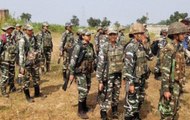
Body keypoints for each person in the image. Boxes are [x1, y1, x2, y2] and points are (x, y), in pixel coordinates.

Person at [158, 22, 189, 120]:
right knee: (167, 113)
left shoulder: (179, 47)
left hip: (177, 85)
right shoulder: (169, 49)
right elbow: (165, 71)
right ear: (175, 35)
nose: (184, 36)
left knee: (174, 110)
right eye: (182, 34)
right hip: (170, 85)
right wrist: (166, 90)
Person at [123, 22, 152, 120]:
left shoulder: (141, 45)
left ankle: (136, 117)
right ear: (135, 34)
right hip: (134, 80)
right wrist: (130, 84)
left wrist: (146, 45)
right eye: (142, 33)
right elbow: (128, 67)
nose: (144, 35)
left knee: (139, 100)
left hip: (141, 79)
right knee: (131, 103)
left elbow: (150, 57)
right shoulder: (130, 47)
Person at [96, 26, 124, 120]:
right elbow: (100, 64)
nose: (113, 36)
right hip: (107, 76)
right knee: (106, 94)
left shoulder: (120, 46)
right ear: (108, 35)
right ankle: (103, 113)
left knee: (116, 94)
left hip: (117, 75)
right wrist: (100, 81)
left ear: (117, 35)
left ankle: (115, 111)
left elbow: (123, 61)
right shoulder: (104, 47)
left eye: (114, 34)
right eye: (111, 34)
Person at [69, 29, 96, 119]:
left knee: (87, 89)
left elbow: (93, 57)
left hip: (88, 72)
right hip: (80, 72)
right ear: (83, 36)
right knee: (83, 90)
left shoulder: (90, 45)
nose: (89, 37)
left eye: (90, 35)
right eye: (87, 35)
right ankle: (80, 111)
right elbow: (73, 61)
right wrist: (72, 73)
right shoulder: (79, 46)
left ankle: (84, 107)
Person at [19, 24, 46, 102]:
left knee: (36, 78)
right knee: (26, 80)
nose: (31, 31)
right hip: (26, 63)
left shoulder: (34, 38)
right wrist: (21, 66)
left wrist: (39, 59)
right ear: (25, 30)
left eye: (32, 30)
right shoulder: (22, 40)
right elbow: (21, 54)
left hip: (34, 62)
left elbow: (37, 48)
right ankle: (28, 97)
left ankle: (37, 93)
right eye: (29, 30)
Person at [0, 23, 17, 97]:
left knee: (12, 74)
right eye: (9, 28)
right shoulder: (2, 38)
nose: (11, 30)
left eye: (11, 29)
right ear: (6, 29)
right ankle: (3, 90)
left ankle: (12, 87)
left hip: (12, 59)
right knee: (5, 76)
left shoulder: (13, 38)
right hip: (4, 60)